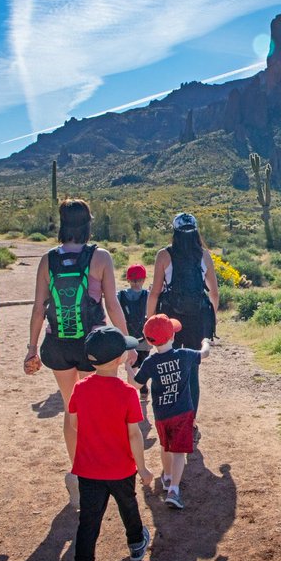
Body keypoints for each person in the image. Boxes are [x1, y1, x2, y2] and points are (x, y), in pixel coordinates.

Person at [22, 199, 132, 510]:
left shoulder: (48, 260)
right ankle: (95, 471)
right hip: (91, 344)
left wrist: (32, 349)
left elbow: (38, 308)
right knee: (94, 409)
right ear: (87, 224)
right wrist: (125, 341)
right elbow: (112, 304)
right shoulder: (100, 258)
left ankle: (77, 474)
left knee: (72, 408)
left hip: (58, 344)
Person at [68, 327, 154, 561]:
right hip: (121, 469)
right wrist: (142, 468)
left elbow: (74, 423)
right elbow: (134, 434)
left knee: (88, 522)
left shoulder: (80, 389)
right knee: (128, 506)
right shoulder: (127, 392)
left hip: (89, 469)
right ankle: (136, 543)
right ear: (120, 359)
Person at [134, 314, 210, 510]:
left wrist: (128, 367)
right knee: (178, 453)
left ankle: (167, 477)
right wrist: (205, 342)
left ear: (149, 340)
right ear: (172, 337)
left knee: (165, 445)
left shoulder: (150, 362)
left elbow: (135, 384)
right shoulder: (184, 355)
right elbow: (204, 354)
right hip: (183, 413)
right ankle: (174, 490)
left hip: (161, 414)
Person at [146, 213, 219, 415]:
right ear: (195, 231)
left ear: (175, 232)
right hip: (198, 318)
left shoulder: (164, 255)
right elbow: (213, 292)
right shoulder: (204, 255)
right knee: (192, 369)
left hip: (172, 319)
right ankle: (191, 421)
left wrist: (149, 320)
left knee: (170, 364)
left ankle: (171, 414)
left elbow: (155, 292)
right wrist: (212, 320)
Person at [117, 264, 151, 393]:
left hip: (136, 339)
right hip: (136, 338)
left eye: (138, 280)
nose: (137, 283)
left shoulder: (120, 295)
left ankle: (136, 388)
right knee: (137, 365)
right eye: (135, 280)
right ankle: (136, 388)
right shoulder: (146, 294)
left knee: (137, 365)